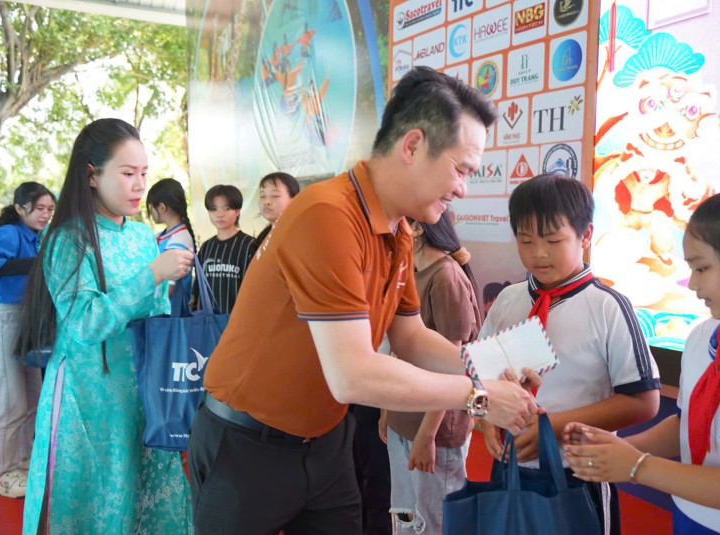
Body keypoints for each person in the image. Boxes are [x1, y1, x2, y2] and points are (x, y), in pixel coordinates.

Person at [188, 66, 538, 534]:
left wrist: (489, 366)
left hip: (325, 444)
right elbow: (352, 374)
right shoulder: (327, 215)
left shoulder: (398, 230)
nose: (463, 188)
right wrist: (477, 397)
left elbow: (410, 336)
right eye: (461, 170)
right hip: (247, 445)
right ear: (412, 146)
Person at [564, 188, 720, 534]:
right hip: (688, 520)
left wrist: (637, 466)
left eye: (702, 268)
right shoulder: (703, 337)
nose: (693, 284)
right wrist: (616, 450)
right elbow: (686, 423)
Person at [18, 118, 194, 534]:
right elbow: (83, 322)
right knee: (95, 505)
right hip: (88, 399)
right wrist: (152, 274)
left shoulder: (141, 236)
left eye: (144, 173)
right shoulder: (67, 238)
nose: (140, 185)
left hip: (143, 393)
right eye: (128, 173)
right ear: (91, 175)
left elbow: (154, 314)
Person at [479, 173, 661, 535]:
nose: (538, 253)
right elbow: (481, 376)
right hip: (510, 466)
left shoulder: (608, 307)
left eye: (552, 240)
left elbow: (644, 401)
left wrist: (551, 428)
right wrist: (485, 418)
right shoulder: (508, 299)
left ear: (586, 235)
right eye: (526, 240)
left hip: (578, 471)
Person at [381, 208, 482, 534]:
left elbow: (452, 368)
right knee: (406, 517)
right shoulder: (409, 269)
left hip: (434, 428)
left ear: (417, 228)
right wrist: (387, 409)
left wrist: (427, 434)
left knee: (436, 521)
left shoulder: (446, 277)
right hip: (403, 416)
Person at [0, 182, 55, 498]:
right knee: (10, 401)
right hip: (3, 317)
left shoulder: (36, 237)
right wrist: (37, 263)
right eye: (39, 208)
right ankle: (6, 474)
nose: (45, 214)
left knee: (32, 397)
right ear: (19, 208)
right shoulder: (8, 234)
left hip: (26, 318)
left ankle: (25, 462)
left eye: (49, 209)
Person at [193, 184, 257, 314]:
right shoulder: (206, 247)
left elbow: (256, 287)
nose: (219, 214)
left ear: (237, 211)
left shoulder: (250, 245)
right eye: (214, 209)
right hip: (208, 321)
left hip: (239, 320)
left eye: (226, 209)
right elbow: (198, 287)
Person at [146, 177, 196, 304]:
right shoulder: (163, 236)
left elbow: (168, 289)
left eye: (151, 207)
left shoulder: (180, 239)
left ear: (162, 207)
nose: (150, 211)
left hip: (170, 312)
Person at [255, 171, 300, 246]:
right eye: (262, 196)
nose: (266, 202)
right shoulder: (262, 238)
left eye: (275, 195)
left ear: (294, 199)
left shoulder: (301, 234)